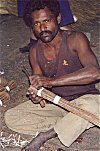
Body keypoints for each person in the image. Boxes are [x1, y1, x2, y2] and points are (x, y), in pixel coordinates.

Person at [5, 0, 100, 151]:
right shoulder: (35, 51)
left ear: (58, 19)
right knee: (12, 117)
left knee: (94, 106)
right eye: (36, 24)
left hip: (85, 99)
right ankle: (72, 125)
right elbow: (40, 85)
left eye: (46, 21)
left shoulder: (75, 39)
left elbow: (95, 72)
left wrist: (51, 82)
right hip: (58, 104)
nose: (42, 28)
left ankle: (47, 135)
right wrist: (37, 95)